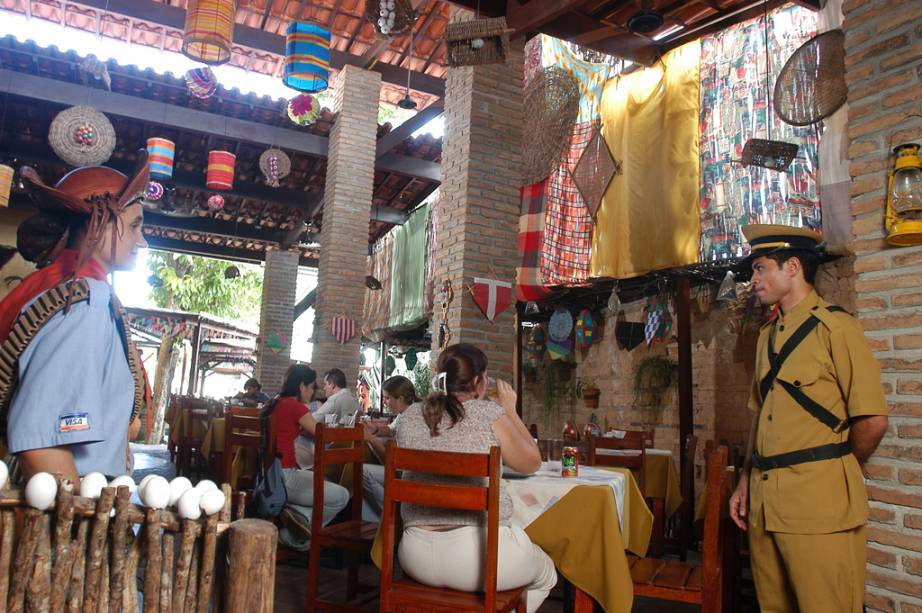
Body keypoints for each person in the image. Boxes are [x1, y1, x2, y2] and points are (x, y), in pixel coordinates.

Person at [728, 224, 888, 613]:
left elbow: (872, 420)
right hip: (766, 505)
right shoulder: (767, 335)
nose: (754, 279)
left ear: (793, 267)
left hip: (819, 504)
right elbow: (760, 412)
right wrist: (746, 479)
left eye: (761, 268)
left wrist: (833, 472)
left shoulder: (838, 329)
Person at [0, 156, 151, 485]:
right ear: (100, 220)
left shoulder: (60, 288)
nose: (142, 240)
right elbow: (44, 445)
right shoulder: (84, 304)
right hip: (64, 511)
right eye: (136, 225)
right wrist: (69, 532)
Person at [395, 344, 556, 613]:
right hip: (482, 560)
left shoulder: (409, 416)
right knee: (547, 575)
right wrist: (510, 410)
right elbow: (532, 462)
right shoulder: (489, 415)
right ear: (479, 382)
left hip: (413, 555)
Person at [265, 363, 350, 549]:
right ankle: (292, 537)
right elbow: (322, 434)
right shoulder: (296, 407)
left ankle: (296, 515)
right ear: (302, 386)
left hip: (267, 475)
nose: (312, 392)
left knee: (320, 479)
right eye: (312, 387)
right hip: (284, 478)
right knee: (342, 495)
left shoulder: (273, 403)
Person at [361, 375, 419, 521]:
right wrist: (375, 430)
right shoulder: (408, 411)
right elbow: (391, 429)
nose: (384, 402)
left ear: (400, 398)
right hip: (414, 469)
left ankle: (392, 514)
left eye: (387, 398)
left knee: (361, 471)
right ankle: (377, 520)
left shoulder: (409, 419)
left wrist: (371, 439)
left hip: (411, 475)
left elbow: (398, 461)